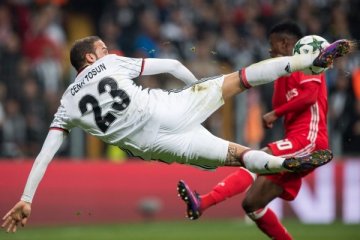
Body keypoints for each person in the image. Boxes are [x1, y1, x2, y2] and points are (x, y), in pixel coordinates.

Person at [2, 34, 350, 233]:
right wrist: (199, 89)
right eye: (104, 48)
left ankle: (280, 162)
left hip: (159, 145)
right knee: (240, 79)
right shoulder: (110, 63)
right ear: (93, 56)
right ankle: (313, 62)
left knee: (237, 156)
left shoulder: (66, 104)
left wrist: (28, 198)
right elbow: (170, 65)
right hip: (171, 108)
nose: (108, 52)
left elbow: (45, 154)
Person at [176, 21, 344, 240]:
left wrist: (276, 112)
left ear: (285, 44)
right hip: (295, 139)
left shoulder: (309, 64)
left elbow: (310, 96)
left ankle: (203, 202)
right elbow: (279, 96)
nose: (269, 50)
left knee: (257, 158)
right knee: (252, 204)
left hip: (309, 138)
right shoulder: (285, 73)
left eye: (272, 44)